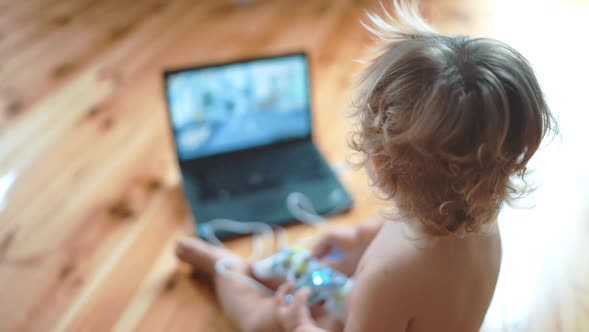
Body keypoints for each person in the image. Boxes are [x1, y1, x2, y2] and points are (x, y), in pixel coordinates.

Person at [175, 0, 555, 331]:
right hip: (389, 314)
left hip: (375, 314)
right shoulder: (473, 212)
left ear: (378, 163)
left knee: (264, 319)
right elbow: (398, 228)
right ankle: (252, 273)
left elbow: (386, 280)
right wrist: (355, 238)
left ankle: (222, 268)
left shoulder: (388, 281)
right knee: (310, 278)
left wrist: (300, 325)